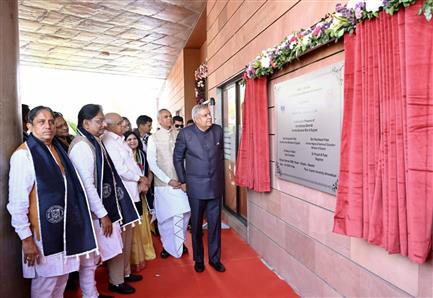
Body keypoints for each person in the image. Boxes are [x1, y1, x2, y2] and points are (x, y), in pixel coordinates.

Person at [7, 106, 98, 298]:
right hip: (43, 235)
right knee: (45, 287)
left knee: (61, 281)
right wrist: (26, 239)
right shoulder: (24, 156)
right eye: (41, 122)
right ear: (29, 126)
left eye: (50, 122)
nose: (48, 126)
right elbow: (17, 203)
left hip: (64, 230)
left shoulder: (56, 150)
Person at [69, 105, 140, 295]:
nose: (103, 125)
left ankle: (96, 291)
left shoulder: (93, 141)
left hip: (102, 208)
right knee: (90, 260)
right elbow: (87, 185)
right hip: (93, 212)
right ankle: (91, 294)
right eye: (99, 121)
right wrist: (103, 215)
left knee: (103, 253)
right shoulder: (82, 145)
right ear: (85, 123)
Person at [173, 104, 226, 273]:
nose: (209, 117)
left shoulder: (218, 131)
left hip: (215, 186)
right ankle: (198, 259)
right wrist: (183, 180)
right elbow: (177, 158)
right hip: (195, 187)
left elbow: (221, 156)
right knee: (196, 226)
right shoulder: (185, 134)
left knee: (215, 224)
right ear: (196, 119)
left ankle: (214, 259)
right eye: (205, 115)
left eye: (209, 114)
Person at [102, 113, 147, 287]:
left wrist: (141, 178)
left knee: (129, 237)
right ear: (109, 124)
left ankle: (126, 272)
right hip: (123, 196)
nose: (124, 125)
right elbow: (120, 170)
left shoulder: (119, 140)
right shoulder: (108, 141)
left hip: (133, 193)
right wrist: (139, 178)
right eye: (120, 123)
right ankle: (117, 279)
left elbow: (131, 163)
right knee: (119, 240)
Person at [147, 109, 191, 258]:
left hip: (181, 183)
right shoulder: (153, 138)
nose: (169, 119)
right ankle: (167, 246)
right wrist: (168, 180)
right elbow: (152, 163)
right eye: (165, 117)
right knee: (166, 217)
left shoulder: (180, 134)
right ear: (159, 120)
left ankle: (180, 242)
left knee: (184, 213)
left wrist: (184, 179)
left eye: (170, 116)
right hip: (164, 185)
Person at [124, 130, 156, 271]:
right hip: (130, 194)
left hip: (143, 193)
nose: (132, 141)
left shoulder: (143, 154)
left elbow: (149, 171)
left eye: (134, 139)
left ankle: (146, 251)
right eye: (129, 139)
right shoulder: (124, 156)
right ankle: (133, 257)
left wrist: (146, 183)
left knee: (143, 223)